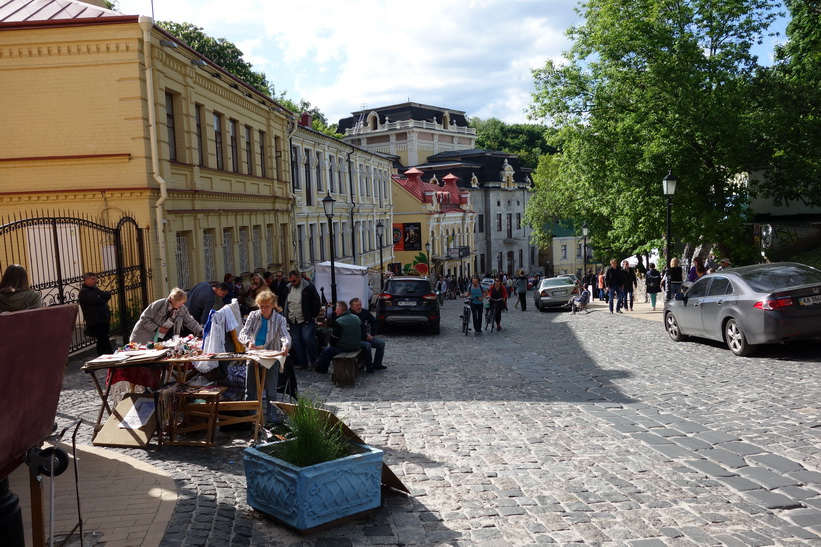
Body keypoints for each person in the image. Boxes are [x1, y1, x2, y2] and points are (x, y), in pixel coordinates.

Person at [238, 289, 291, 425]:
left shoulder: (279, 319)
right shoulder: (253, 316)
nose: (264, 309)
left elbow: (285, 335)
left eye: (267, 306)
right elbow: (243, 333)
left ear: (273, 305)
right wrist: (248, 342)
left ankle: (272, 419)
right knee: (250, 388)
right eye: (261, 306)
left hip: (271, 356)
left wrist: (285, 345)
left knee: (271, 389)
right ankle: (250, 419)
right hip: (254, 354)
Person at [130, 287, 203, 344]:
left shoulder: (182, 309)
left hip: (163, 338)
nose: (182, 305)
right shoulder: (158, 305)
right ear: (172, 299)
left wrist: (200, 331)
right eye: (179, 302)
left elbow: (190, 321)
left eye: (183, 302)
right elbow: (144, 319)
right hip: (144, 337)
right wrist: (157, 329)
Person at [283, 269, 321, 370]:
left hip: (306, 319)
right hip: (293, 319)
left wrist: (313, 315)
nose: (292, 283)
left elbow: (317, 302)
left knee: (308, 340)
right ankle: (303, 362)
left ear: (299, 278)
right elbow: (285, 302)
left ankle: (313, 361)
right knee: (296, 342)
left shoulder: (308, 287)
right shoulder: (288, 288)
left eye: (294, 281)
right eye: (290, 281)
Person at [314, 301, 363, 374]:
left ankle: (321, 368)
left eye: (336, 309)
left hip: (345, 346)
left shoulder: (339, 321)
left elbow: (334, 339)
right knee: (329, 350)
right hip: (356, 345)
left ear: (340, 310)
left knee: (326, 351)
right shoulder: (356, 317)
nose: (335, 311)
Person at [78, 272, 113, 355]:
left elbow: (107, 295)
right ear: (86, 280)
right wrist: (102, 298)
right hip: (95, 320)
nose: (95, 281)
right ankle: (108, 355)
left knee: (102, 339)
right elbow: (97, 300)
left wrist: (101, 296)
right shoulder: (84, 292)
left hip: (103, 319)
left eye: (95, 279)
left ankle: (103, 356)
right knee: (104, 339)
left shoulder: (94, 289)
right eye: (92, 279)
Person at [349, 297, 384, 371]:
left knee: (381, 343)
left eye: (360, 305)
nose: (359, 307)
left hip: (365, 337)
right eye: (357, 305)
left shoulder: (364, 312)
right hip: (355, 339)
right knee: (367, 346)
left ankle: (377, 364)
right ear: (351, 306)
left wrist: (372, 334)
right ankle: (369, 366)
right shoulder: (349, 315)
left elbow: (373, 321)